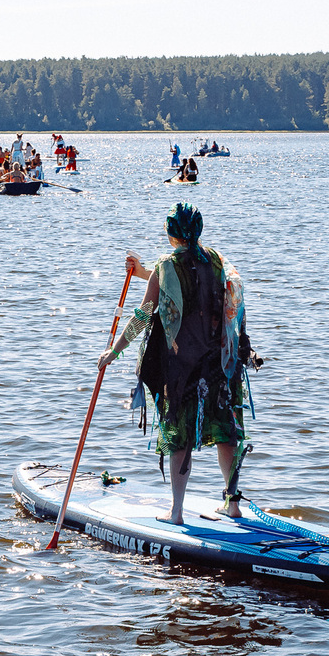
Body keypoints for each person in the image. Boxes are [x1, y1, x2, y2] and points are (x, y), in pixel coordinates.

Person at [100, 204, 262, 525]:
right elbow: (188, 281)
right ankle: (232, 504)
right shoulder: (215, 260)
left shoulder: (166, 266)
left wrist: (114, 352)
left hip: (184, 368)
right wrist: (145, 272)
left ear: (173, 234)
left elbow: (145, 314)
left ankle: (176, 512)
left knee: (180, 435)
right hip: (219, 365)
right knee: (226, 433)